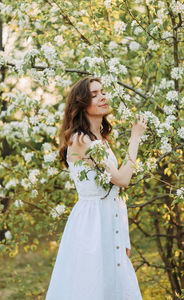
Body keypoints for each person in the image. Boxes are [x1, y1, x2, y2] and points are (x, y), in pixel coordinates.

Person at [45, 76, 147, 300]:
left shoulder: (99, 139)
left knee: (114, 284)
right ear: (81, 103)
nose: (102, 97)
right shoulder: (81, 140)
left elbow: (115, 195)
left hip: (109, 219)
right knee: (92, 285)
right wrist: (135, 137)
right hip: (92, 224)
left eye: (102, 92)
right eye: (94, 94)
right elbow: (121, 179)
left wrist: (124, 238)